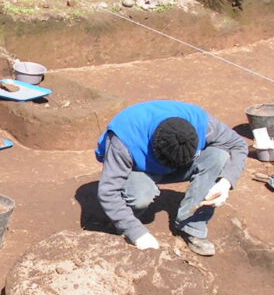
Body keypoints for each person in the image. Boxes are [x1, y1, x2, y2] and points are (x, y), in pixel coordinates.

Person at [95, 100, 248, 257]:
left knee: (218, 156)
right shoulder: (124, 141)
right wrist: (137, 234)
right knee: (140, 195)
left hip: (180, 163)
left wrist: (225, 182)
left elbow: (239, 145)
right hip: (141, 169)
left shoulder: (203, 124)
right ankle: (124, 222)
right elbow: (108, 192)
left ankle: (192, 226)